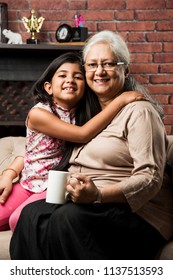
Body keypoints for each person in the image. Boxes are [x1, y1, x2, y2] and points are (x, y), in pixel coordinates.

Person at [10, 30, 173, 260]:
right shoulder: (88, 114)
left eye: (108, 63)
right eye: (92, 65)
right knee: (30, 214)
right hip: (90, 205)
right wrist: (11, 170)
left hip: (139, 213)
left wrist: (98, 195)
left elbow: (150, 178)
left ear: (125, 70)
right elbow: (38, 146)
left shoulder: (139, 111)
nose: (99, 71)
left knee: (66, 218)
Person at [0, 52, 143, 232]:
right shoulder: (39, 114)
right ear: (48, 87)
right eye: (62, 75)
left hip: (55, 185)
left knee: (18, 220)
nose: (70, 80)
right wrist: (120, 101)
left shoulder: (86, 116)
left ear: (85, 87)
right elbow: (82, 135)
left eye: (78, 77)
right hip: (27, 183)